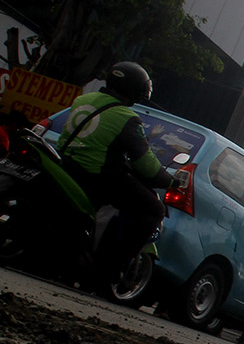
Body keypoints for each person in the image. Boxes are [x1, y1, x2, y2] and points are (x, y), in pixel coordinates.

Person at [58, 61, 174, 288]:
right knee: (154, 208)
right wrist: (168, 180)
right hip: (96, 176)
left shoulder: (83, 100)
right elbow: (147, 165)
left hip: (67, 165)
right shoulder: (126, 118)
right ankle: (109, 269)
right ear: (133, 89)